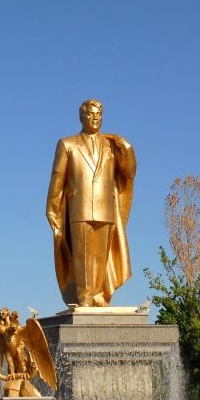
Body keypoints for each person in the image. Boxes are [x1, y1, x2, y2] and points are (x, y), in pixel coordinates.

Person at [46, 99, 136, 307]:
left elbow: (129, 172)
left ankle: (98, 295)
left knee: (101, 256)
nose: (95, 118)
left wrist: (128, 149)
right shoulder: (67, 144)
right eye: (90, 114)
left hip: (106, 208)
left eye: (98, 114)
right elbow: (57, 177)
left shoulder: (111, 146)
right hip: (80, 207)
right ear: (81, 116)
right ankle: (84, 296)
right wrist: (52, 208)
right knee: (82, 255)